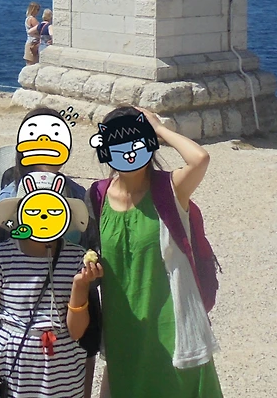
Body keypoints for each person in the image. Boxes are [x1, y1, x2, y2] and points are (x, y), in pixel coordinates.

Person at [87, 106, 221, 398]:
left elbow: (200, 158)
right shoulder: (97, 196)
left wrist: (159, 129)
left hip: (171, 325)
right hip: (123, 324)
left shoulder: (170, 189)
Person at [0, 189, 98, 398]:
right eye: (33, 211)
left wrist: (80, 285)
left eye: (53, 211)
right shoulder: (0, 257)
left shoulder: (77, 258)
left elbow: (77, 332)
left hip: (64, 371)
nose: (43, 218)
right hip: (15, 369)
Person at [24, 2, 42, 67]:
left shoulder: (27, 19)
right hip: (33, 44)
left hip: (29, 43)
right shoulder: (32, 19)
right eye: (37, 10)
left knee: (29, 64)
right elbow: (40, 29)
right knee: (33, 64)